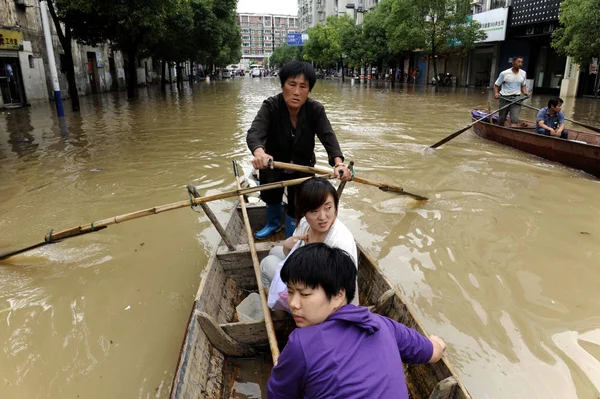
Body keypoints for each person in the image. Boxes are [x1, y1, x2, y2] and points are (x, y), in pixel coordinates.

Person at [267, 243, 447, 399]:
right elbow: (432, 352)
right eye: (290, 292)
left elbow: (277, 395)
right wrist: (437, 343)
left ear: (338, 295)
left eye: (305, 294)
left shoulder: (301, 342)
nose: (293, 303)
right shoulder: (383, 324)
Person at [246, 61, 351, 239]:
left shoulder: (315, 110)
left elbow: (328, 137)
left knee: (299, 202)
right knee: (271, 196)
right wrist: (260, 153)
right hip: (273, 164)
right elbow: (255, 132)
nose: (296, 92)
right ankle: (273, 224)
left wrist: (339, 163)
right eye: (292, 84)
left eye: (303, 86)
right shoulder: (271, 106)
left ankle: (293, 233)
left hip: (302, 166)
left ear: (309, 90)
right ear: (282, 85)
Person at [260, 177, 358, 309]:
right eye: (314, 211)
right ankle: (281, 305)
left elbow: (340, 293)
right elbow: (292, 258)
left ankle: (280, 313)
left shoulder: (339, 242)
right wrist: (287, 247)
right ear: (303, 211)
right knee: (275, 251)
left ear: (335, 206)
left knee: (267, 263)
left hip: (322, 299)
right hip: (306, 276)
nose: (322, 217)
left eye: (328, 208)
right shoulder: (305, 224)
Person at [494, 56, 529, 127]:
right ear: (513, 63)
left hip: (516, 99)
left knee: (515, 120)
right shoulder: (504, 73)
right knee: (501, 119)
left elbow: (523, 85)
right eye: (518, 62)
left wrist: (525, 93)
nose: (520, 64)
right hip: (504, 98)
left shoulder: (523, 73)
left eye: (521, 62)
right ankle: (500, 127)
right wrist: (496, 93)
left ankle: (512, 131)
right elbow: (496, 85)